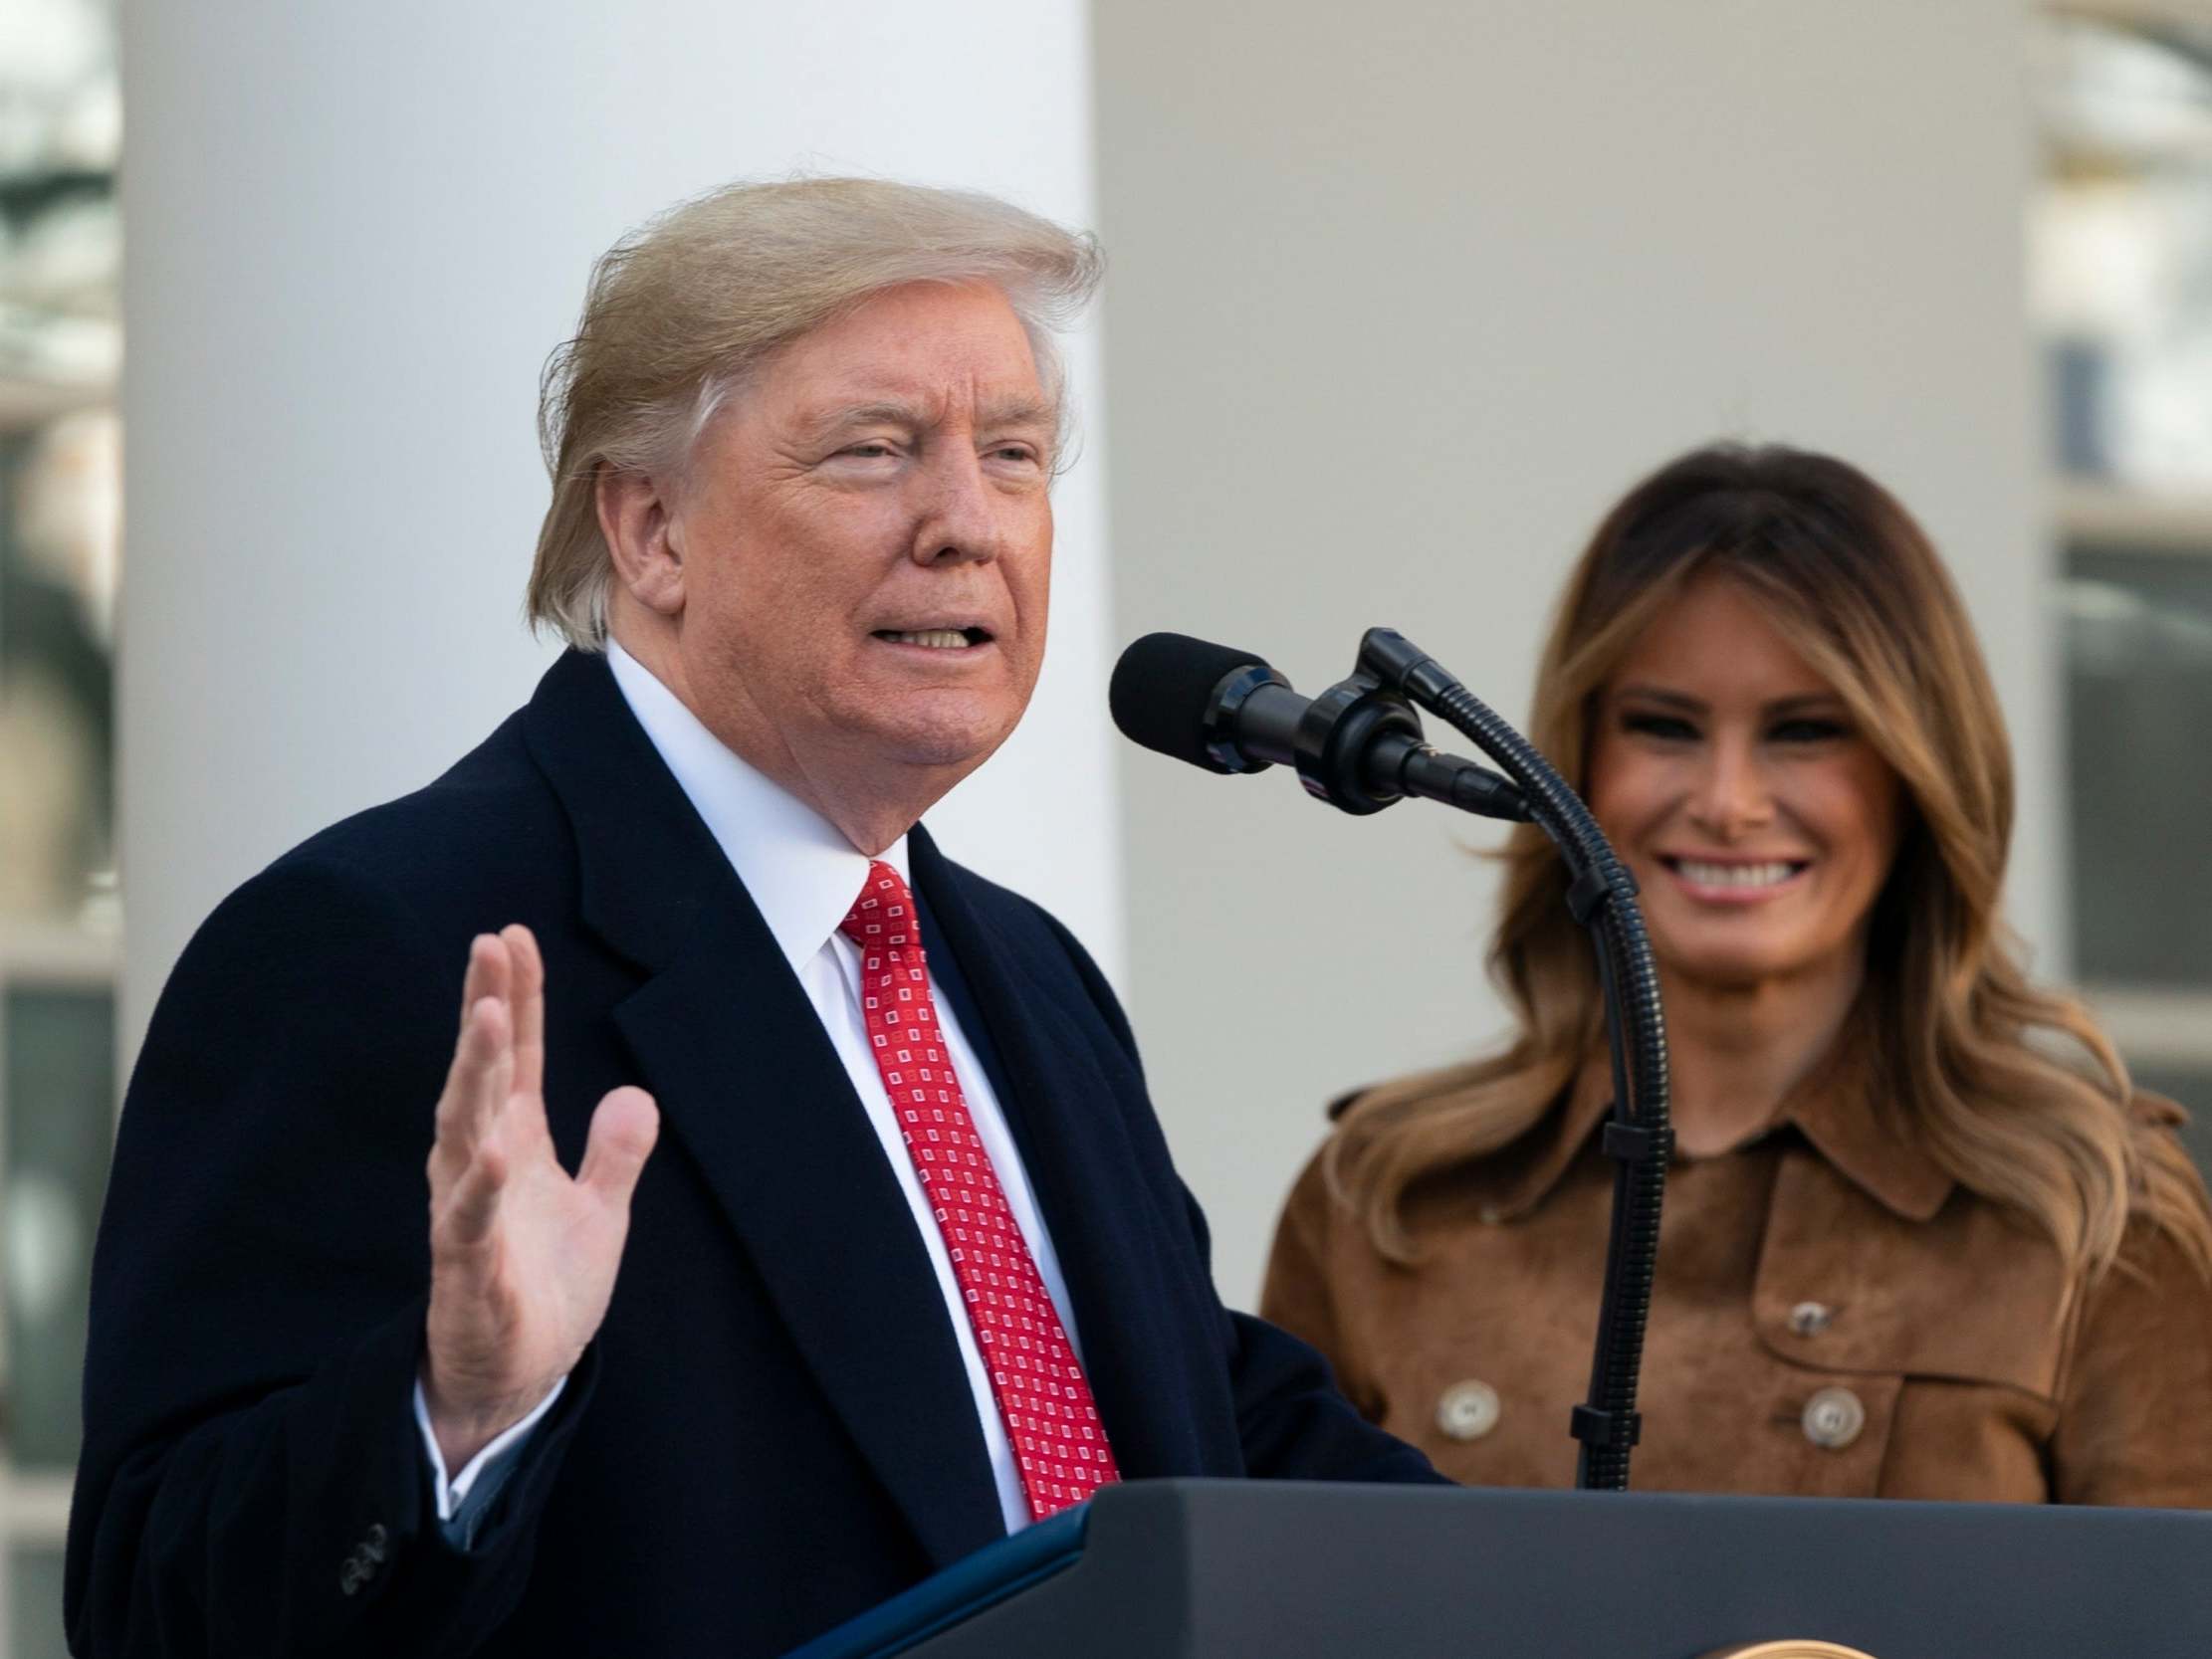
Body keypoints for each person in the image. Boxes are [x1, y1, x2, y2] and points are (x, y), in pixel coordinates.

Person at [67, 178, 1438, 1659]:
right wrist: (451, 1413)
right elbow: (159, 1602)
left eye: (1015, 454)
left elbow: (1188, 1422)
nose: (967, 523)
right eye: (873, 453)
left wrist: (1616, 1595)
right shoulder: (380, 945)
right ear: (651, 528)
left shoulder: (1027, 975)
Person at [1262, 442, 2212, 1506]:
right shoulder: (1384, 1195)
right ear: (1576, 763)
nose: (1727, 799)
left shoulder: (2088, 1205)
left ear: (1917, 772)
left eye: (1803, 731)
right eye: (1662, 726)